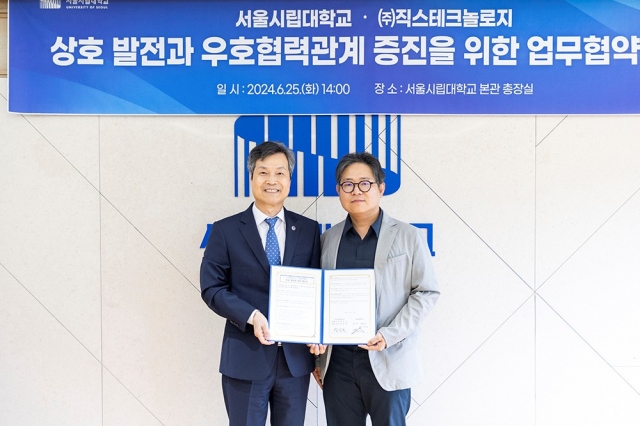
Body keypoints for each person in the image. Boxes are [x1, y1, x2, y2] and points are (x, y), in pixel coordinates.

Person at [313, 152, 440, 426]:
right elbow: (317, 298)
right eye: (348, 184)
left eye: (364, 183)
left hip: (388, 357)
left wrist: (389, 335)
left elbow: (426, 292)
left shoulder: (409, 236)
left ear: (381, 188)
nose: (356, 190)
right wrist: (317, 346)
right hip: (338, 364)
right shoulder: (327, 240)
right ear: (338, 191)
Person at [200, 141, 321, 426]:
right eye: (263, 172)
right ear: (251, 178)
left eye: (280, 173)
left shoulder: (307, 229)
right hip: (245, 358)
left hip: (295, 361)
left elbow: (316, 287)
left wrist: (318, 331)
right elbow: (212, 288)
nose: (272, 180)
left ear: (289, 180)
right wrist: (251, 316)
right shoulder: (225, 230)